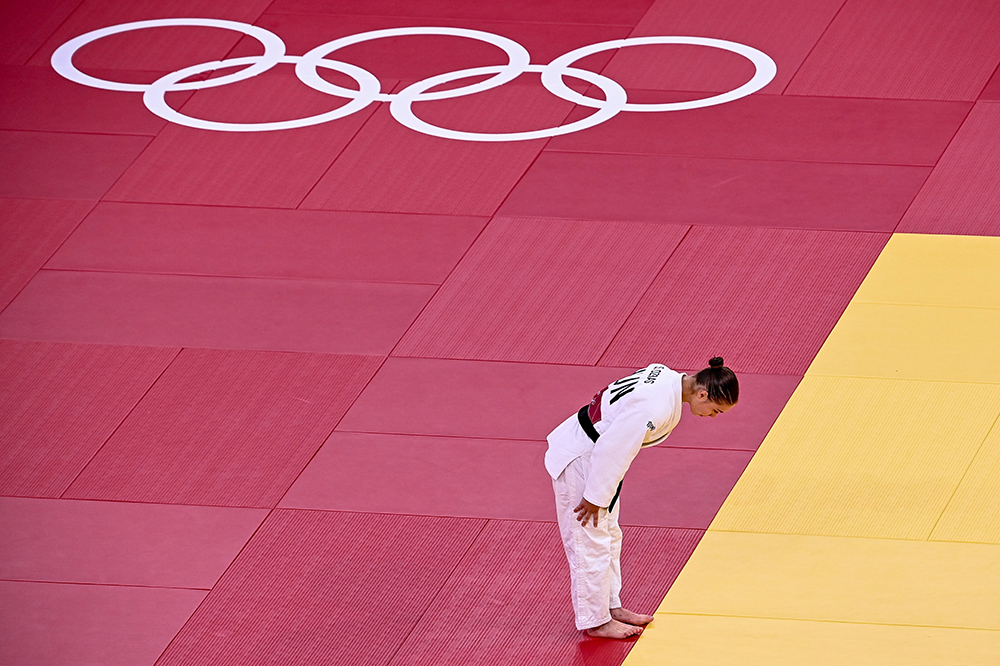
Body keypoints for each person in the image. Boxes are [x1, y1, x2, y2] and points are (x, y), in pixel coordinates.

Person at [545, 357, 739, 639]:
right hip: (584, 460)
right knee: (589, 541)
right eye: (716, 410)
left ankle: (611, 606)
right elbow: (612, 449)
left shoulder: (665, 375)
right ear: (702, 393)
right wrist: (594, 496)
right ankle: (595, 621)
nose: (712, 417)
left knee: (610, 534)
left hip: (597, 458)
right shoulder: (654, 407)